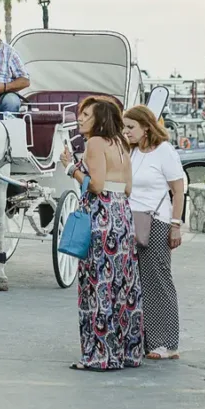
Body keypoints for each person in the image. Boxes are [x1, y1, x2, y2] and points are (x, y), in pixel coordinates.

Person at [60, 96, 143, 371]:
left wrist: (71, 168)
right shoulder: (121, 143)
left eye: (86, 115)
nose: (80, 119)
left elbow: (95, 185)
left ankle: (100, 355)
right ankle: (127, 351)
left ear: (100, 118)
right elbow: (128, 188)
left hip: (101, 216)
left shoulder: (95, 143)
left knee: (98, 283)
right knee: (122, 284)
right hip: (122, 215)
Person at [123, 105, 186, 360]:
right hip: (131, 221)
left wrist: (175, 225)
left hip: (157, 222)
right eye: (124, 127)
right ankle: (146, 339)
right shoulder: (132, 152)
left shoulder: (164, 151)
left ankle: (167, 343)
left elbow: (178, 191)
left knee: (158, 281)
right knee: (135, 283)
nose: (126, 132)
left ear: (146, 128)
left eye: (131, 127)